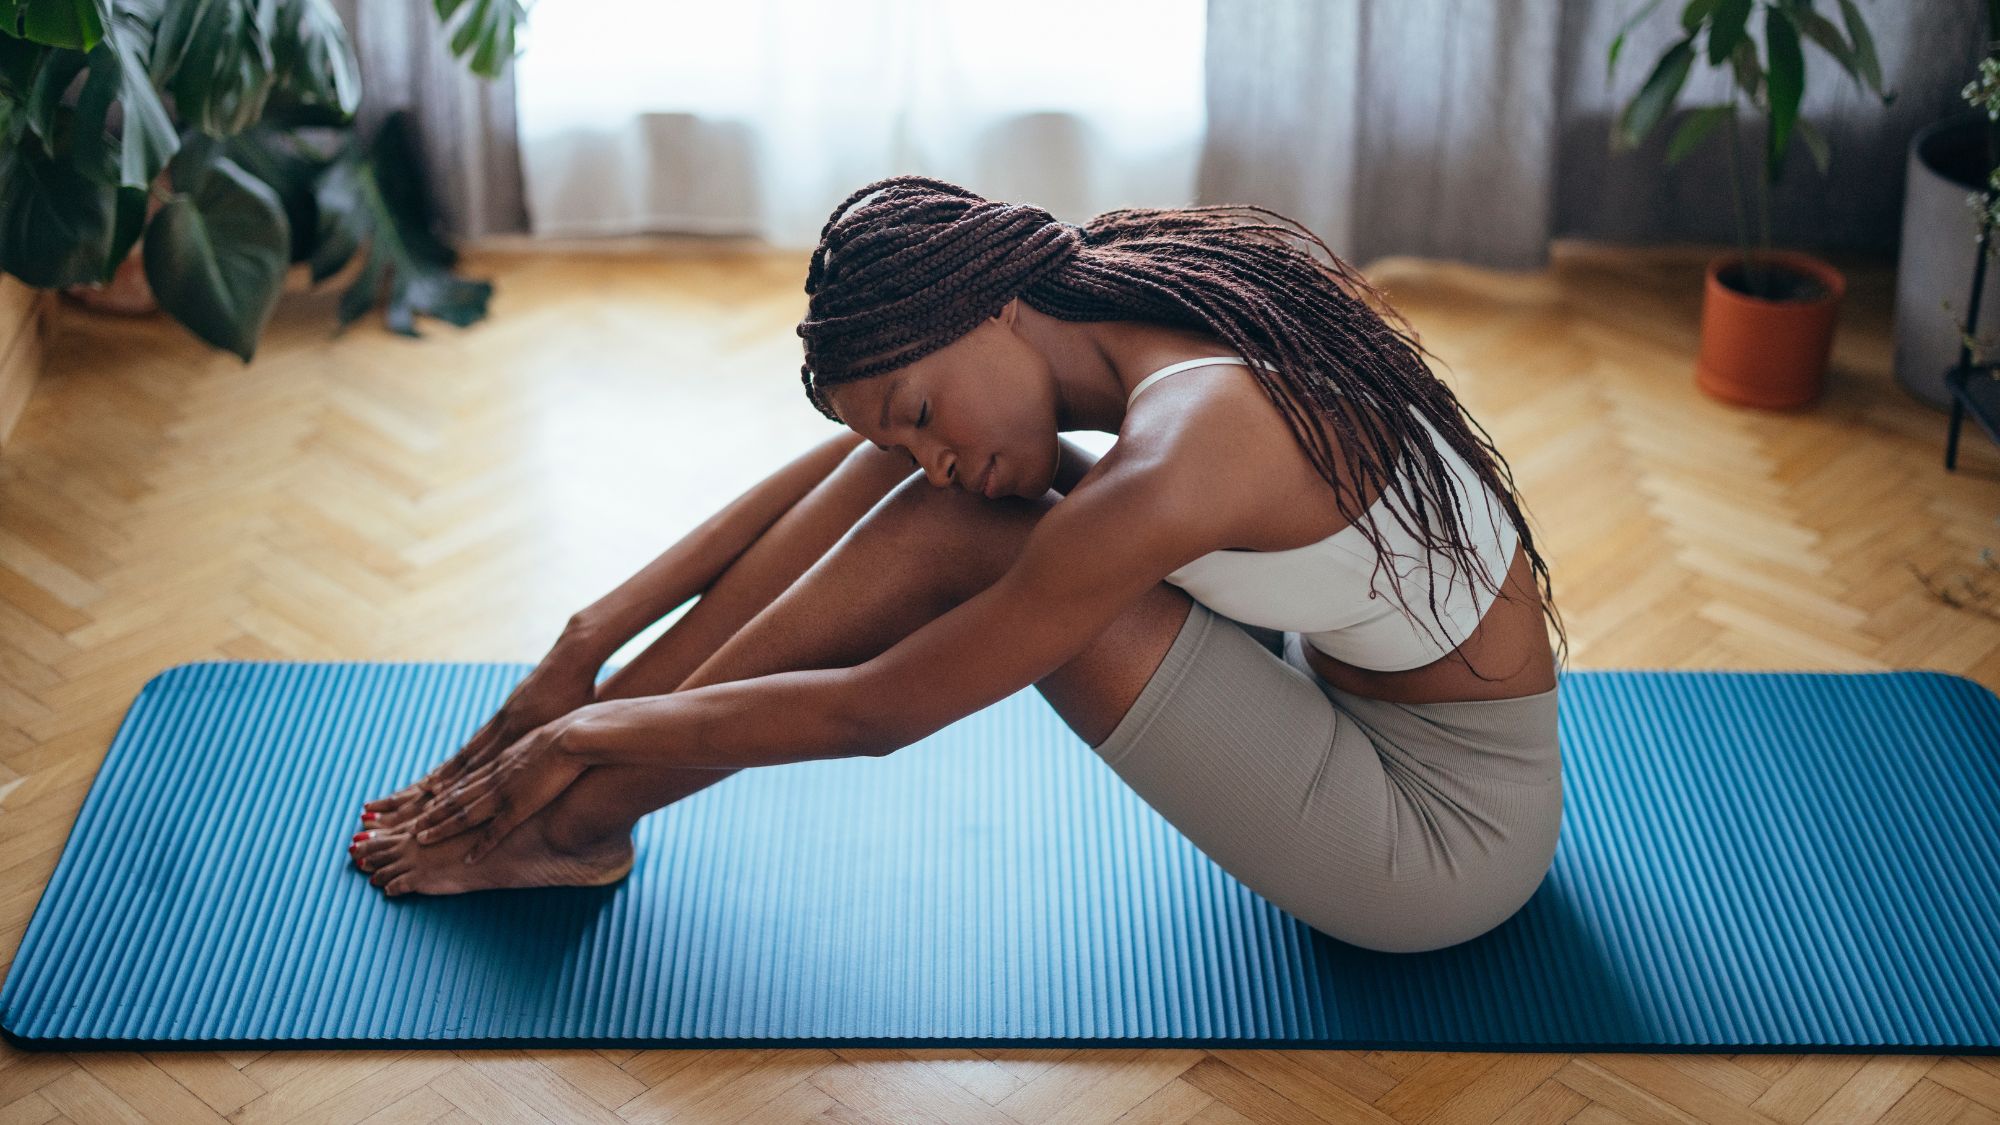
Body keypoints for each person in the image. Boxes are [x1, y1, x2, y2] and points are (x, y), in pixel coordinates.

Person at [347, 175, 1569, 953]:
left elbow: (876, 714)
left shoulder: (1187, 449)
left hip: (1438, 837)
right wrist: (580, 654)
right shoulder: (1114, 293)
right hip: (1332, 694)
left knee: (959, 525)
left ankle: (570, 817)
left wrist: (576, 743)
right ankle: (572, 788)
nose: (924, 449)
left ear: (989, 310)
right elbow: (860, 466)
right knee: (937, 494)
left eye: (919, 405)